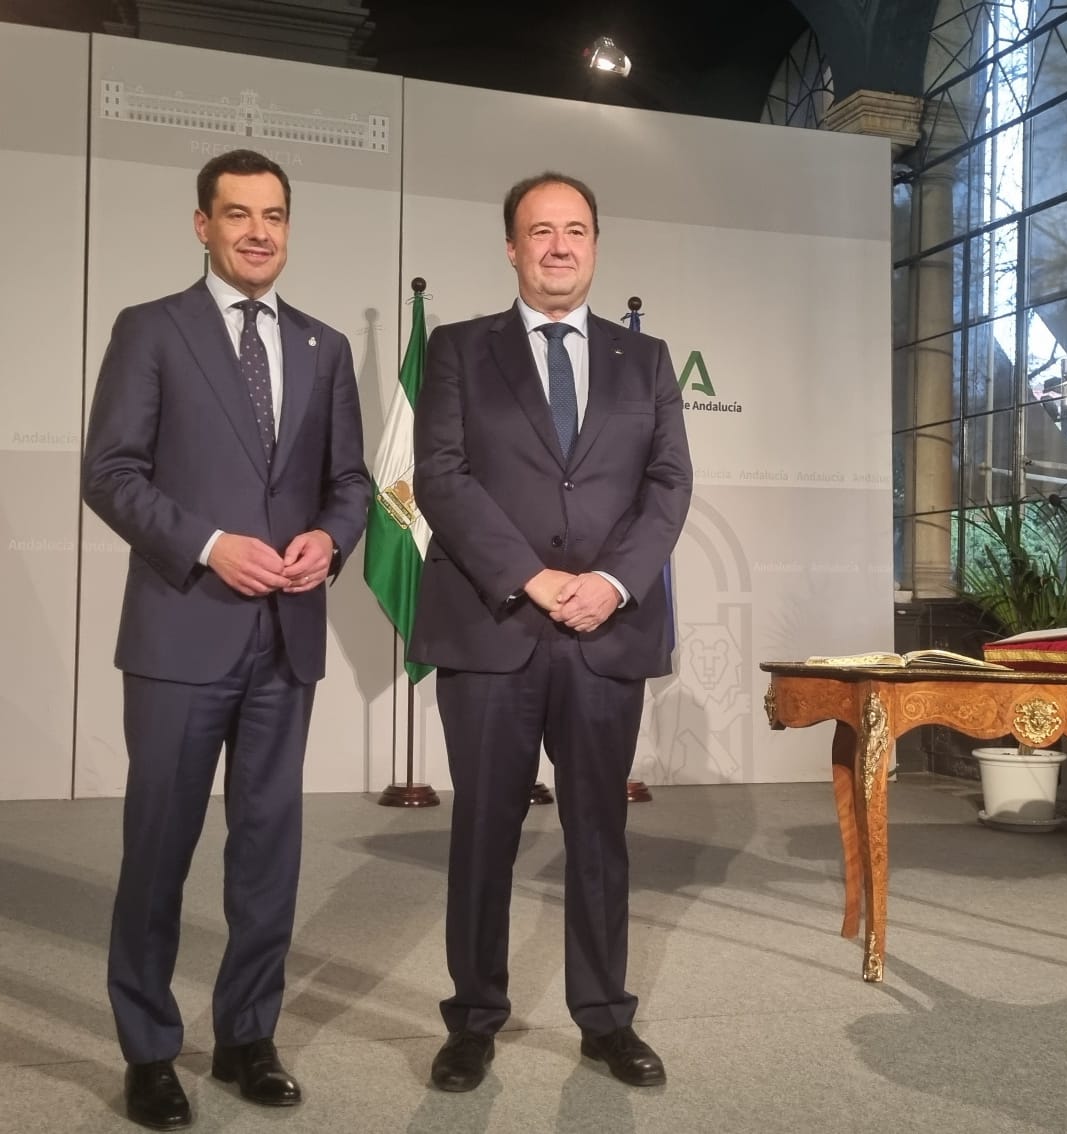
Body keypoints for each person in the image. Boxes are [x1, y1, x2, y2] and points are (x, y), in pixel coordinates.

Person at [82, 148, 370, 1130]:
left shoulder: (325, 346)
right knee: (158, 846)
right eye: (238, 214)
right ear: (202, 225)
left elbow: (350, 482)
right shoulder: (151, 329)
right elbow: (110, 472)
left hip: (285, 636)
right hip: (181, 632)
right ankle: (149, 1050)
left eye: (274, 215)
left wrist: (330, 538)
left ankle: (248, 1035)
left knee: (268, 850)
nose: (258, 231)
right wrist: (210, 546)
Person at [409, 172, 692, 1091]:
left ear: (595, 245)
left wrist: (611, 582)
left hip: (604, 632)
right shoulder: (458, 350)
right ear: (511, 247)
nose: (559, 246)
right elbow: (441, 476)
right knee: (484, 831)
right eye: (541, 231)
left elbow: (668, 485)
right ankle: (472, 1021)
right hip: (494, 624)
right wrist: (530, 578)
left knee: (599, 832)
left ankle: (605, 1019)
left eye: (575, 230)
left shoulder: (646, 360)